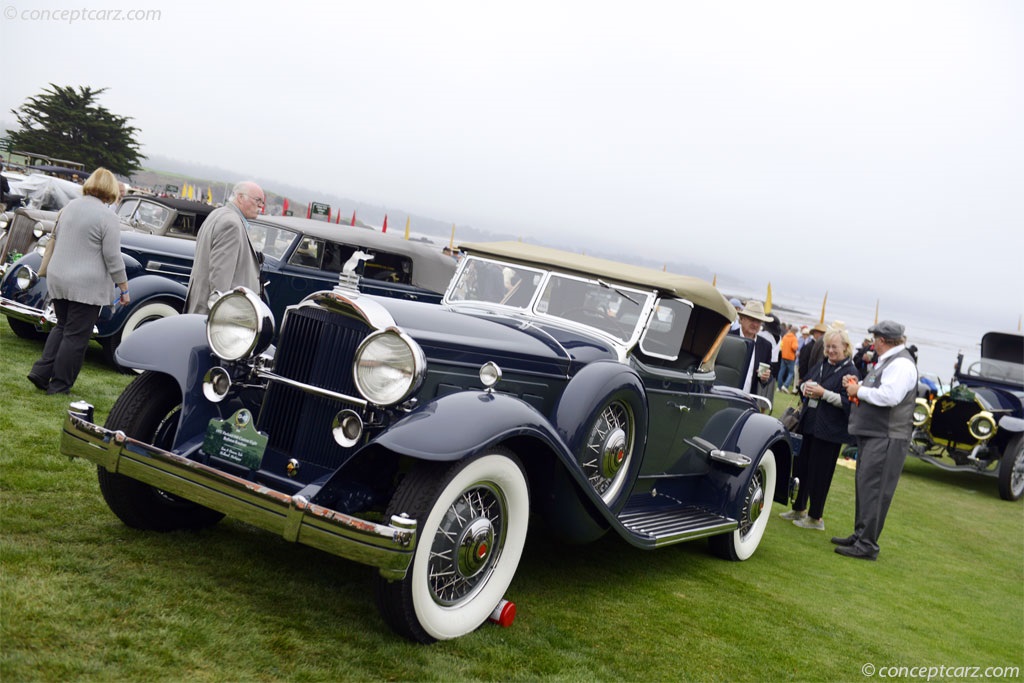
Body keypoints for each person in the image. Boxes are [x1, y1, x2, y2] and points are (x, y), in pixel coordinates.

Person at [27, 168, 129, 394]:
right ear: (111, 190)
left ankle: (41, 371)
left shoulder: (68, 208)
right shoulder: (108, 217)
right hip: (85, 284)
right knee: (76, 336)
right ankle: (60, 384)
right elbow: (112, 256)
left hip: (58, 277)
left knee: (61, 327)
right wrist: (123, 286)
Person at [833, 320, 918, 561]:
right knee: (866, 486)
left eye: (875, 339)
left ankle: (867, 544)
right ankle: (861, 536)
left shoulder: (900, 364)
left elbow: (890, 396)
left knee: (875, 490)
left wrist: (857, 391)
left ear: (882, 340)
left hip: (887, 436)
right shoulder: (892, 361)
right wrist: (858, 387)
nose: (873, 342)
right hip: (878, 435)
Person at [779, 327, 860, 530]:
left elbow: (849, 402)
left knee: (820, 474)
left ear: (846, 348)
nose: (830, 351)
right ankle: (798, 508)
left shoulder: (850, 371)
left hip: (830, 431)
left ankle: (816, 518)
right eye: (828, 347)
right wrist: (805, 388)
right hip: (809, 424)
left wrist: (823, 393)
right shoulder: (822, 364)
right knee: (801, 467)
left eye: (835, 347)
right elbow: (805, 382)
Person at [184, 181, 265, 314]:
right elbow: (220, 275)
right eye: (258, 200)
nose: (261, 206)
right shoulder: (232, 224)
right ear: (240, 197)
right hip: (215, 313)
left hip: (201, 303)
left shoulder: (217, 214)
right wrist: (219, 314)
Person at [727, 300, 774, 394]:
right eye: (752, 319)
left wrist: (765, 378)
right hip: (725, 394)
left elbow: (766, 378)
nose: (755, 324)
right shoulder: (727, 338)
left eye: (758, 321)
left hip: (748, 399)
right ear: (741, 319)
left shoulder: (766, 346)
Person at [778, 325, 799, 392]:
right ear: (795, 332)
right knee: (791, 372)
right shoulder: (794, 338)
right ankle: (786, 385)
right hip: (790, 357)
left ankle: (779, 386)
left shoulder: (785, 336)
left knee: (781, 371)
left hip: (784, 355)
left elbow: (781, 345)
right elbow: (794, 347)